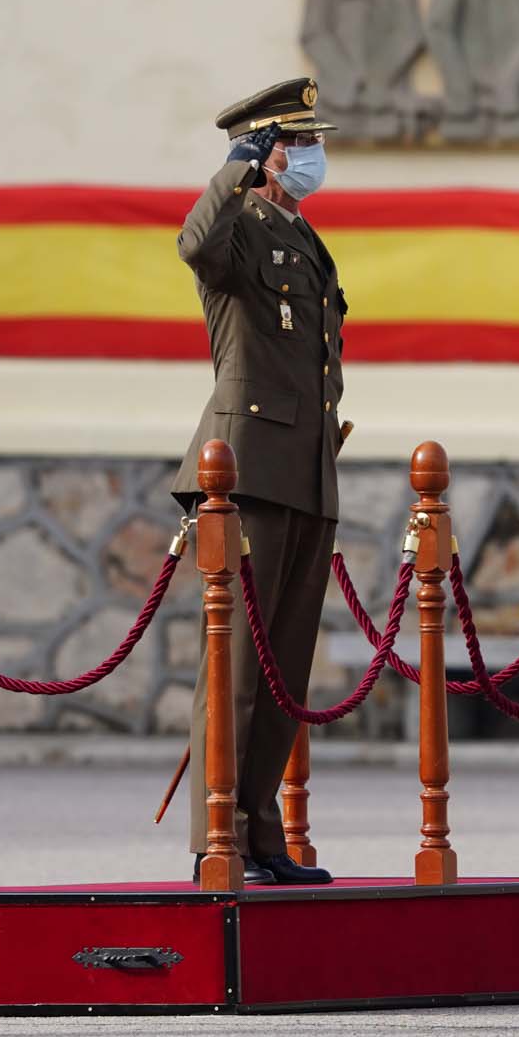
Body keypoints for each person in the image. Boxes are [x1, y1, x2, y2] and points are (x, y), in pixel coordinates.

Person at [172, 76, 344, 886]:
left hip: (305, 469)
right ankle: (219, 834)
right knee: (237, 665)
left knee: (282, 670)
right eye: (298, 143)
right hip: (245, 472)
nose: (312, 155)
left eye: (313, 142)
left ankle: (261, 830)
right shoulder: (238, 226)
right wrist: (234, 169)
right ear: (266, 150)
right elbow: (194, 245)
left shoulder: (303, 235)